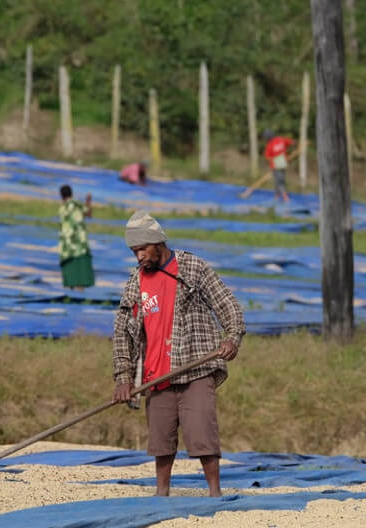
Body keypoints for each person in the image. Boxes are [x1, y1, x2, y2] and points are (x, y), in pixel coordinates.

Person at [112, 210, 245, 497]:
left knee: (203, 435)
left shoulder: (192, 268)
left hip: (195, 368)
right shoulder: (135, 283)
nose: (139, 257)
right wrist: (123, 379)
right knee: (161, 440)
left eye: (142, 249)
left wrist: (232, 337)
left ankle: (215, 493)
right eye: (134, 251)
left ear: (158, 243)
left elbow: (228, 304)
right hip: (156, 374)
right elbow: (123, 333)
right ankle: (162, 493)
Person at [58, 184, 95, 290]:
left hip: (67, 241)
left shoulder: (62, 209)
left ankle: (70, 288)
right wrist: (88, 201)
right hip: (79, 240)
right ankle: (80, 288)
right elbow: (88, 214)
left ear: (61, 195)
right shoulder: (76, 204)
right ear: (71, 193)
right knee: (80, 263)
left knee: (69, 263)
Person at [263, 129, 295, 202]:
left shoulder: (270, 145)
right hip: (282, 164)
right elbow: (292, 142)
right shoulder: (281, 139)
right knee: (279, 180)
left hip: (277, 165)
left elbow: (267, 156)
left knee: (279, 180)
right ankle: (277, 195)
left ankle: (285, 197)